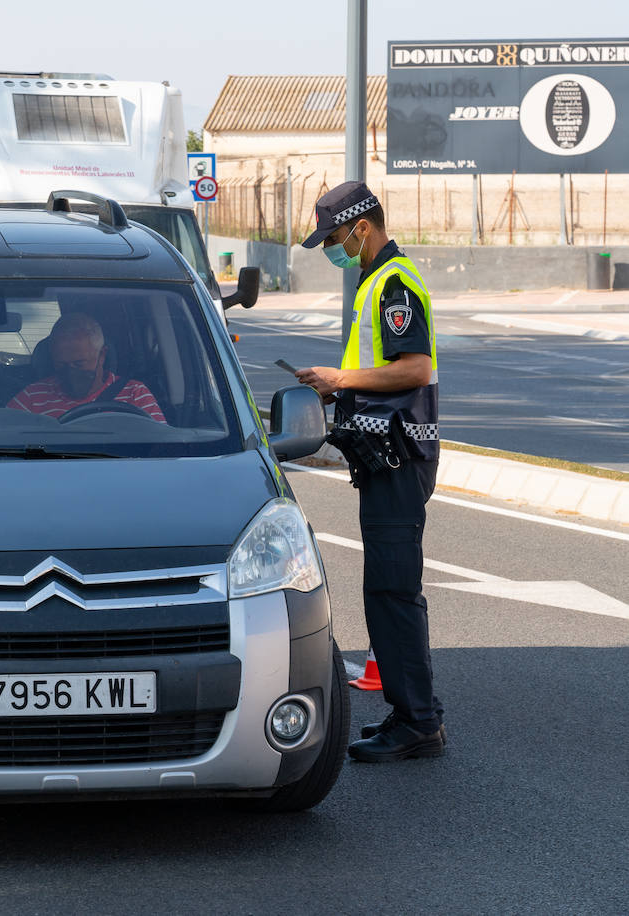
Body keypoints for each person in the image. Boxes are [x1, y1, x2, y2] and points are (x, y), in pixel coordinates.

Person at [296, 180, 445, 763]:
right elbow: (382, 371)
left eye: (335, 237)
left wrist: (342, 380)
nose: (334, 248)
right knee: (386, 588)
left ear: (361, 226)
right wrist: (342, 395)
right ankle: (412, 715)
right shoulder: (373, 279)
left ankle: (418, 722)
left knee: (393, 589)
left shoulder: (394, 282)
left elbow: (415, 369)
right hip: (384, 453)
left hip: (401, 456)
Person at [8, 313, 165, 422]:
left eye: (79, 363)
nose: (70, 372)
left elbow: (160, 449)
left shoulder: (135, 394)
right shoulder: (31, 398)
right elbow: (5, 438)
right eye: (61, 364)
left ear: (102, 355)